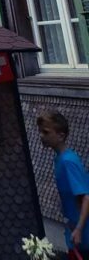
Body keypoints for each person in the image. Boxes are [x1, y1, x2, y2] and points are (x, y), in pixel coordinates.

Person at [37, 109, 89, 257]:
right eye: (41, 131)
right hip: (74, 232)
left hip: (83, 237)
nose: (41, 136)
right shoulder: (60, 159)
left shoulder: (68, 161)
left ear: (61, 135)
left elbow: (86, 197)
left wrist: (78, 229)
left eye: (46, 132)